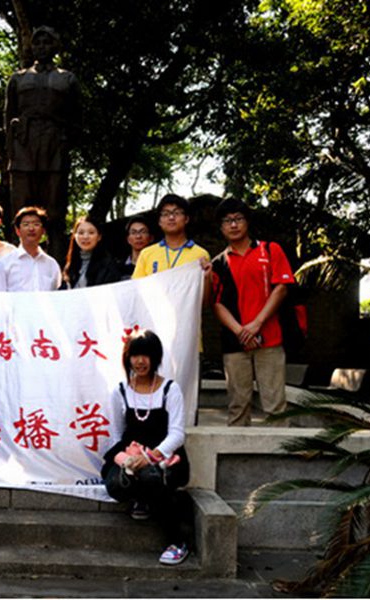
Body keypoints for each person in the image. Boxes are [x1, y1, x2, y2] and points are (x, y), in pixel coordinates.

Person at [101, 330, 191, 566]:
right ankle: (140, 499)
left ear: (156, 358)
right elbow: (116, 435)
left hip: (164, 458)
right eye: (135, 355)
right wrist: (126, 460)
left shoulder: (170, 389)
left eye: (146, 355)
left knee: (152, 477)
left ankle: (178, 542)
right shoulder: (120, 391)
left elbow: (177, 434)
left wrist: (151, 456)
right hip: (131, 458)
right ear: (127, 358)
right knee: (116, 484)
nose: (140, 361)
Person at [211, 198, 296, 426]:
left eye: (238, 219)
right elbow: (216, 304)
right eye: (227, 221)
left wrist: (257, 324)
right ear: (221, 227)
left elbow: (281, 288)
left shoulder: (269, 250)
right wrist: (240, 331)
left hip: (270, 340)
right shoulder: (218, 264)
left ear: (247, 221)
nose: (233, 225)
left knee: (275, 406)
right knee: (237, 406)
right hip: (234, 343)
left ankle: (279, 448)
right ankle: (237, 449)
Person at [133, 194, 212, 426]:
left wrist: (207, 278)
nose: (171, 218)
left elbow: (205, 302)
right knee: (149, 398)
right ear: (159, 221)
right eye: (166, 214)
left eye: (176, 213)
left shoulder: (200, 254)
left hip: (188, 340)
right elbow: (135, 294)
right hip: (153, 340)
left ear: (186, 219)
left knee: (185, 399)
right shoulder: (148, 254)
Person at [5, 26, 80, 260]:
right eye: (37, 43)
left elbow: (77, 117)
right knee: (20, 209)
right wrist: (12, 151)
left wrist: (66, 143)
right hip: (24, 146)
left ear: (55, 46)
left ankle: (57, 263)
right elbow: (8, 116)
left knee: (55, 210)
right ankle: (16, 261)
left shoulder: (67, 78)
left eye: (47, 42)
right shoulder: (18, 78)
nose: (42, 47)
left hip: (54, 145)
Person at [0, 206, 62, 292]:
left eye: (36, 224)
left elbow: (57, 296)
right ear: (18, 231)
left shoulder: (52, 265)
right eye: (26, 224)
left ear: (43, 230)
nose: (31, 228)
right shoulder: (4, 264)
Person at [62, 215, 121, 288]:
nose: (85, 237)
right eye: (81, 233)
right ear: (74, 236)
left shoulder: (108, 265)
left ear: (99, 237)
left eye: (91, 232)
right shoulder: (69, 264)